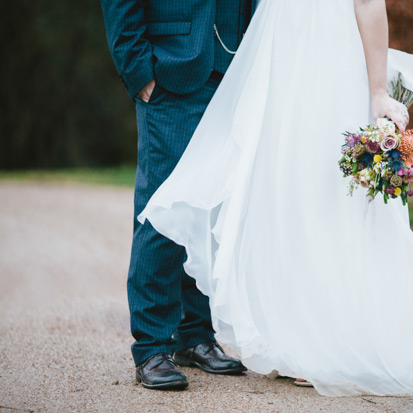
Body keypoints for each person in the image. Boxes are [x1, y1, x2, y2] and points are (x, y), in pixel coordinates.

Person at [140, 0, 413, 397]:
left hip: (330, 59)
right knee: (281, 194)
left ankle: (329, 336)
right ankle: (290, 337)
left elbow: (369, 3)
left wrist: (378, 90)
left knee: (327, 193)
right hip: (274, 58)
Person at [99, 0, 258, 390]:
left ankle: (195, 335)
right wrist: (137, 71)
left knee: (210, 212)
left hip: (235, 70)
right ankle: (153, 346)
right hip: (171, 69)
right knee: (164, 209)